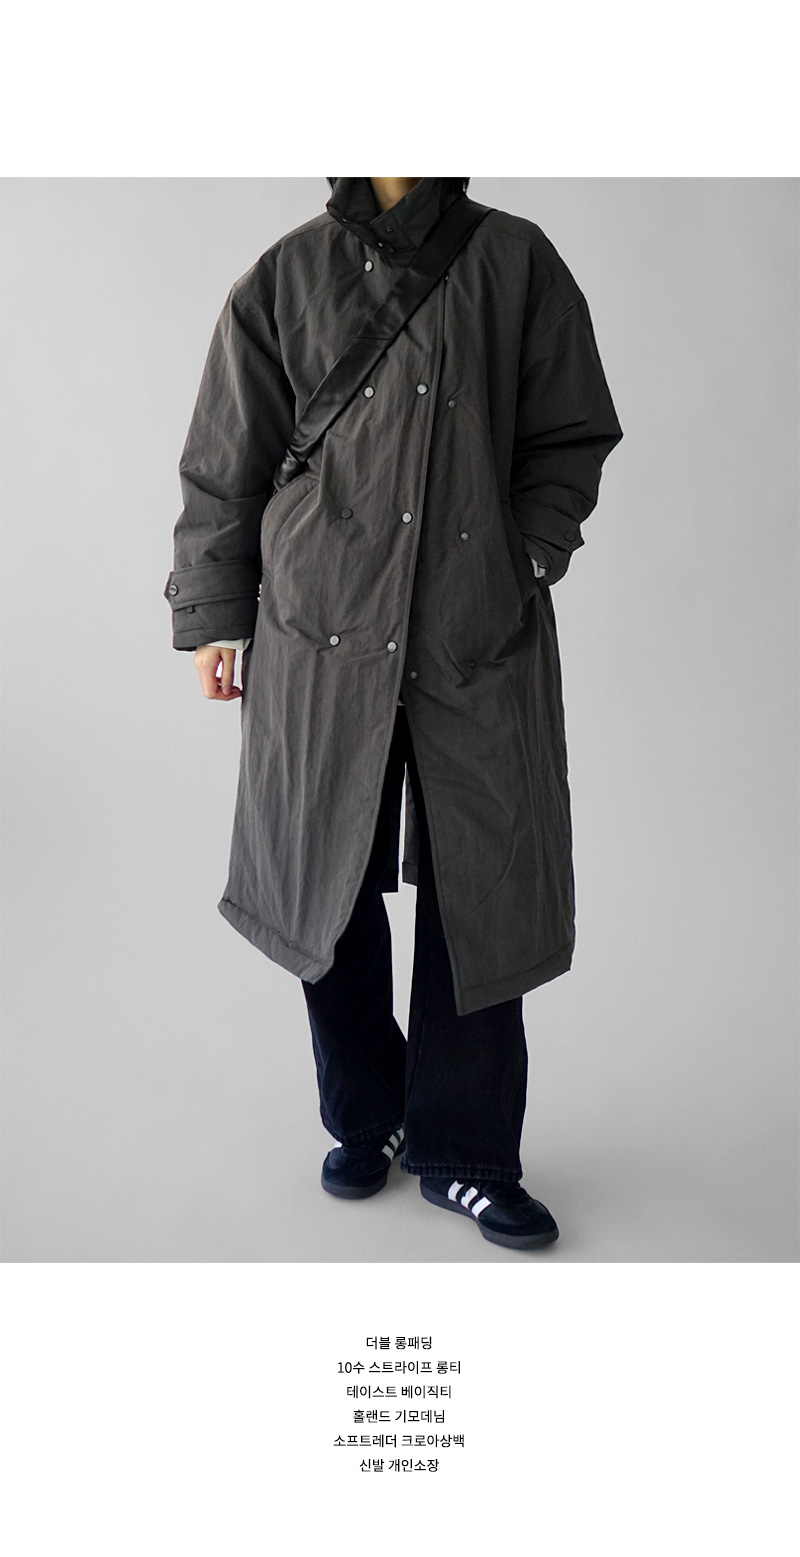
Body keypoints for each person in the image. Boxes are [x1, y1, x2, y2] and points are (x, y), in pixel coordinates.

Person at [164, 177, 623, 1252]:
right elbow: (226, 460)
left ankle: (466, 1153)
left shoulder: (517, 262)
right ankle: (366, 1118)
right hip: (319, 634)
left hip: (475, 637)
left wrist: (521, 557)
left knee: (481, 889)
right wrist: (216, 617)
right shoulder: (284, 277)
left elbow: (569, 432)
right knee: (326, 882)